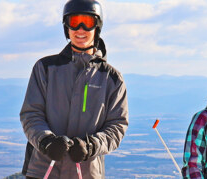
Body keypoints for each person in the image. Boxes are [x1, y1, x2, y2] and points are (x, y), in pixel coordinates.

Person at [19, 0, 128, 178]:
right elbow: (31, 114)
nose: (81, 29)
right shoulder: (46, 68)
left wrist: (91, 146)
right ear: (66, 27)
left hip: (86, 172)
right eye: (75, 22)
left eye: (88, 22)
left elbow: (117, 126)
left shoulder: (111, 79)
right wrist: (46, 141)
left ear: (97, 26)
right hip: (43, 169)